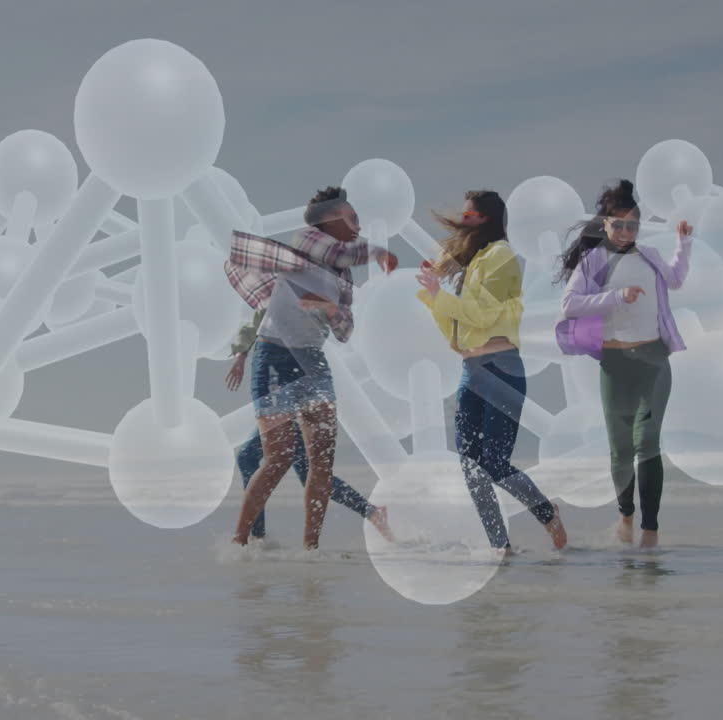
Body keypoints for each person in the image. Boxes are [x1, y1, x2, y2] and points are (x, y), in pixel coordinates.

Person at [225, 186, 397, 549]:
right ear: (328, 221)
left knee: (319, 464)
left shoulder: (343, 278)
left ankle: (310, 549)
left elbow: (345, 332)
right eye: (352, 219)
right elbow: (340, 252)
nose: (358, 226)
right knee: (277, 458)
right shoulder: (307, 242)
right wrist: (377, 250)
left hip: (313, 364)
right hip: (275, 358)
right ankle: (242, 543)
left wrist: (331, 309)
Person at [415, 190, 568, 554]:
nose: (461, 220)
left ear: (485, 218)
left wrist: (441, 296)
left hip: (501, 368)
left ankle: (547, 513)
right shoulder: (473, 263)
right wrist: (434, 296)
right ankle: (501, 547)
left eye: (468, 215)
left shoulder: (501, 256)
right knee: (471, 466)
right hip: (470, 370)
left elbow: (481, 316)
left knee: (495, 463)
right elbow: (454, 329)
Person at [557, 179, 693, 548]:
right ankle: (626, 517)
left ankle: (651, 532)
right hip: (616, 364)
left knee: (647, 442)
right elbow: (570, 305)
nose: (625, 232)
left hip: (653, 359)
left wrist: (684, 245)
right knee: (621, 451)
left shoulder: (649, 255)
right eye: (617, 225)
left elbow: (676, 280)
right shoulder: (595, 261)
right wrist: (616, 297)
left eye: (632, 225)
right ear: (604, 224)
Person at [225, 307, 394, 543]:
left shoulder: (307, 294)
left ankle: (256, 538)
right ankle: (372, 513)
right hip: (280, 384)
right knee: (285, 467)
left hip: (299, 383)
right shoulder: (277, 295)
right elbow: (258, 321)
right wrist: (241, 355)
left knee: (265, 461)